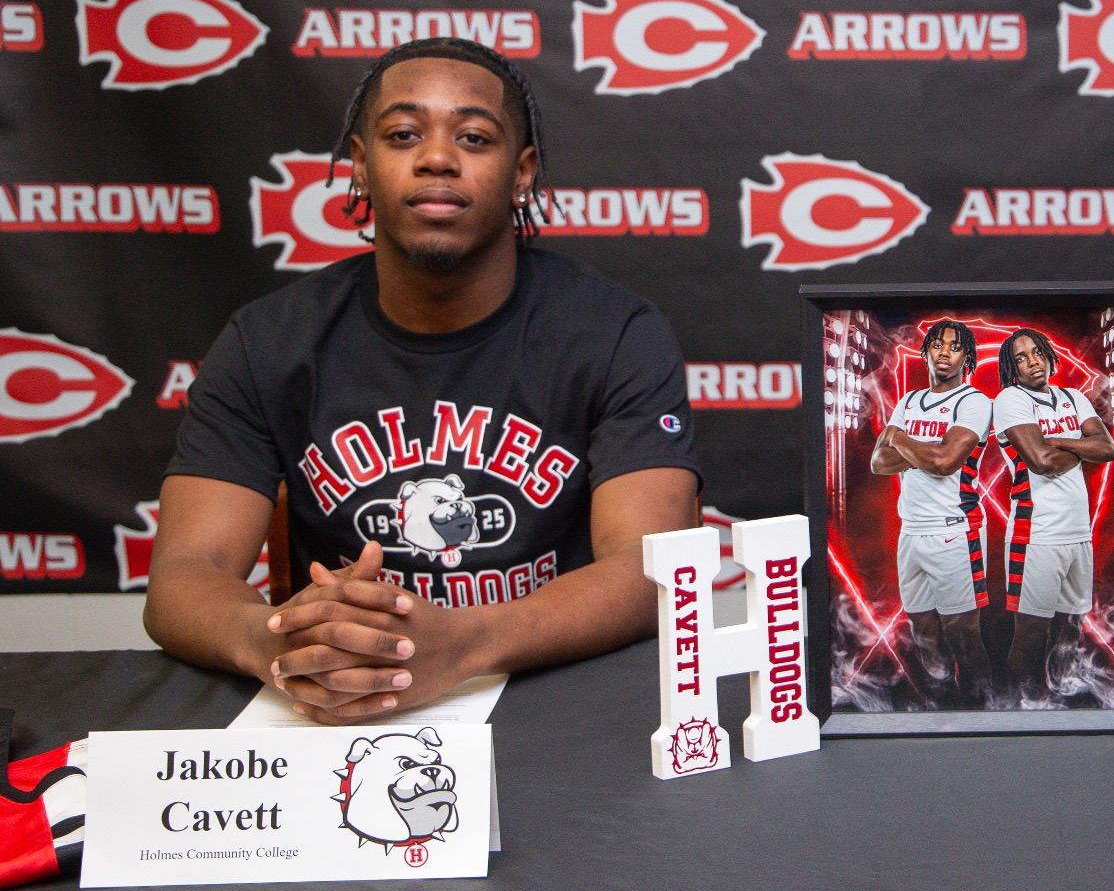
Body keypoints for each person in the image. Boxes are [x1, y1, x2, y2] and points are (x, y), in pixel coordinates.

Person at [144, 38, 702, 723]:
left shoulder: (616, 334)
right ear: (359, 165)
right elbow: (180, 577)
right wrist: (286, 643)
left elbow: (653, 573)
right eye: (403, 133)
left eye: (473, 136)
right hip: (348, 705)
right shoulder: (267, 343)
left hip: (556, 699)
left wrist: (464, 645)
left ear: (522, 172)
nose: (437, 157)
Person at [870, 319, 994, 704]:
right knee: (922, 630)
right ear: (925, 352)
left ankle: (984, 712)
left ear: (966, 357)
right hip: (912, 531)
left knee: (962, 634)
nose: (944, 352)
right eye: (937, 345)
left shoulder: (973, 403)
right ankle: (943, 703)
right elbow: (878, 461)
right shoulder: (909, 402)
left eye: (954, 347)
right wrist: (916, 449)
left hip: (955, 530)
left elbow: (945, 462)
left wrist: (901, 439)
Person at [993, 328, 1114, 701]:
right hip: (1037, 534)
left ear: (1048, 355)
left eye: (1038, 353)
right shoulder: (1010, 400)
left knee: (1070, 627)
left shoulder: (1073, 397)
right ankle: (1023, 705)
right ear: (1012, 369)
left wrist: (1059, 440)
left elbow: (1107, 448)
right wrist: (1081, 445)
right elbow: (1040, 462)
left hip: (1078, 532)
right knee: (1031, 632)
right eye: (1021, 357)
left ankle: (1061, 694)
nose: (1033, 361)